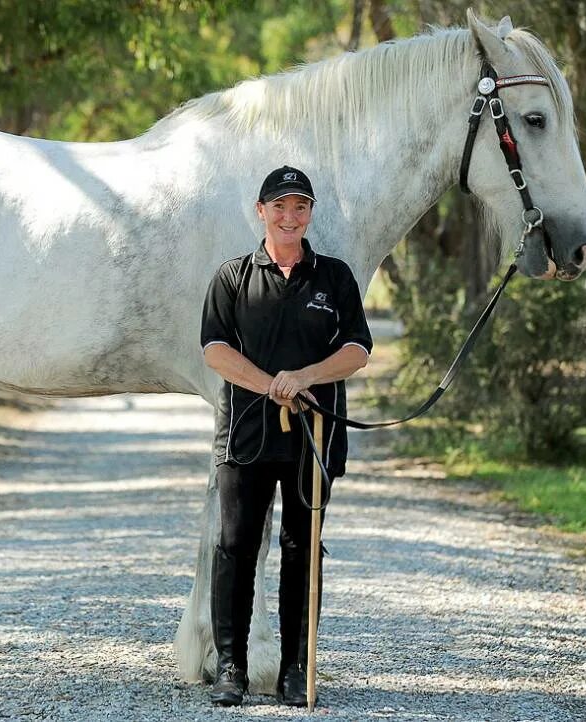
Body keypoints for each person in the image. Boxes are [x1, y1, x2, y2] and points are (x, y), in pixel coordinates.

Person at [199, 166, 373, 707]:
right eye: (280, 206)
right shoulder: (232, 277)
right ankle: (231, 668)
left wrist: (305, 378)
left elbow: (358, 349)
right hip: (246, 437)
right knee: (235, 547)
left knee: (303, 550)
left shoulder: (335, 277)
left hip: (313, 437)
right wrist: (270, 385)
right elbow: (214, 349)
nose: (289, 216)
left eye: (300, 207)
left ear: (310, 214)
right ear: (261, 211)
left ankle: (297, 669)